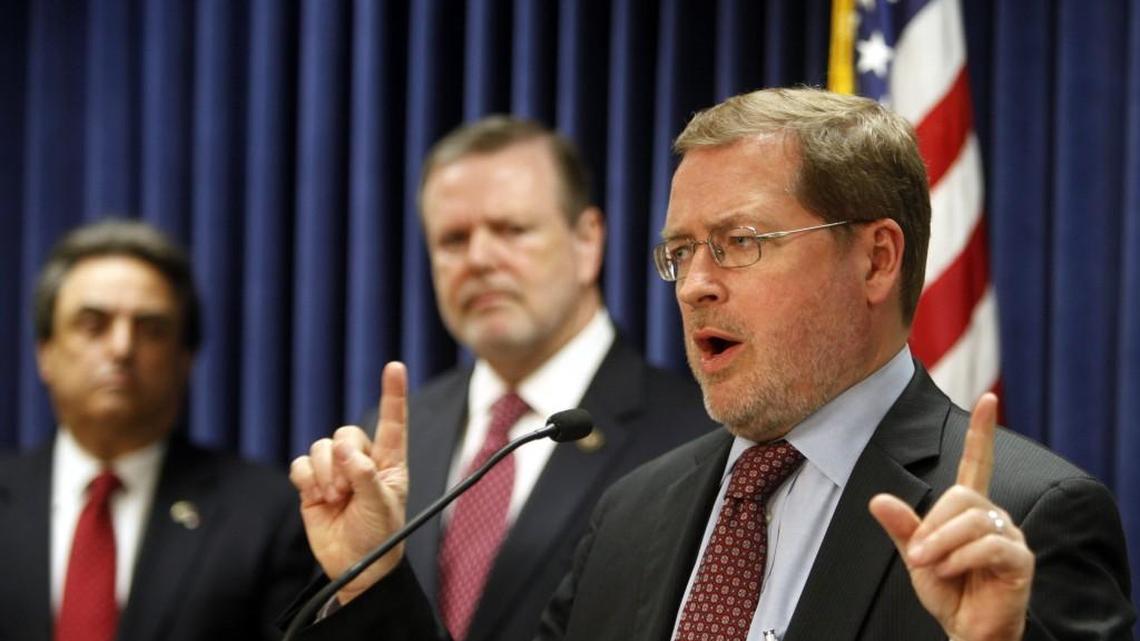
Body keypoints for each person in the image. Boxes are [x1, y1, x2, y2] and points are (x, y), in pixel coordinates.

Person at [287, 89, 1135, 640]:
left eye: (740, 243)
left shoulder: (1023, 518)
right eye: (681, 250)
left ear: (877, 260)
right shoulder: (631, 512)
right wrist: (378, 580)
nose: (694, 285)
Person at [352, 116, 715, 641]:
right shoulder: (397, 435)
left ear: (587, 240)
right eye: (453, 239)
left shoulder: (695, 432)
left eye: (511, 230)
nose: (478, 259)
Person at [0, 220, 315, 641]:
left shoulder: (266, 515)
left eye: (151, 329)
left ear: (185, 359)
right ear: (46, 353)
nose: (121, 348)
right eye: (93, 325)